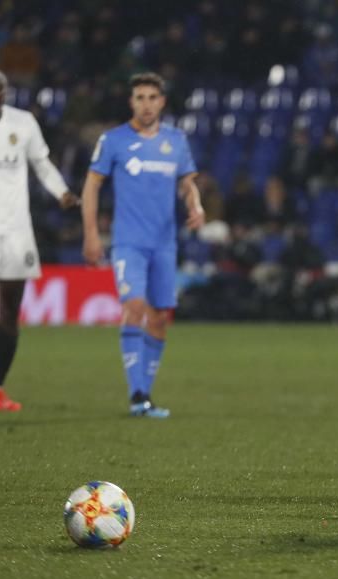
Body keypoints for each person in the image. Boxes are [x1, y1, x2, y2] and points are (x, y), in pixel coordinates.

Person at [81, 72, 204, 418]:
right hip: (128, 243)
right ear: (131, 102)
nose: (146, 104)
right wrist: (91, 234)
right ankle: (136, 395)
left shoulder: (176, 141)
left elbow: (187, 183)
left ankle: (145, 396)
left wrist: (196, 205)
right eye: (140, 98)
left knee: (161, 317)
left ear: (162, 101)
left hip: (164, 244)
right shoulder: (114, 140)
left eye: (152, 97)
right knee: (135, 307)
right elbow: (92, 187)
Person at [0, 68, 79, 412]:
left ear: (6, 92)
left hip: (17, 226)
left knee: (11, 311)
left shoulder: (23, 123)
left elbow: (42, 164)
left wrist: (61, 192)